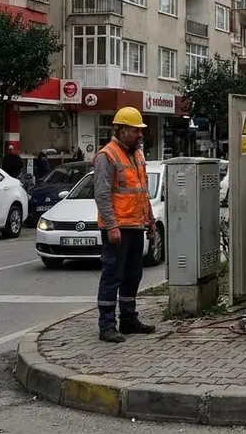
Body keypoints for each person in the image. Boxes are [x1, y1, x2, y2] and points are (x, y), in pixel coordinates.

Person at [94, 106, 158, 343]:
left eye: (140, 131)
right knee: (113, 275)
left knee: (133, 275)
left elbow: (142, 193)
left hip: (135, 225)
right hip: (118, 228)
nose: (140, 135)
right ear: (121, 130)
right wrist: (111, 227)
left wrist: (149, 221)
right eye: (135, 131)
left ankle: (128, 320)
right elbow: (102, 195)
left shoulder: (137, 155)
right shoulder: (107, 156)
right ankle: (106, 325)